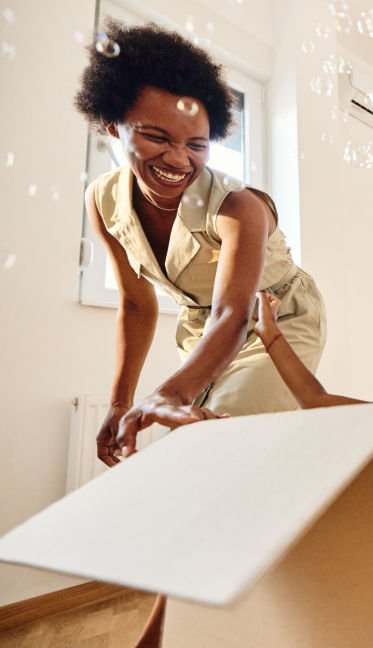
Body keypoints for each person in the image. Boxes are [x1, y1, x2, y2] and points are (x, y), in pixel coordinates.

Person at [74, 21, 326, 465]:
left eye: (196, 144)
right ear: (114, 125)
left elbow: (234, 313)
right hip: (201, 329)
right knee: (202, 447)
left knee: (219, 447)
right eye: (156, 136)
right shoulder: (103, 200)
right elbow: (136, 305)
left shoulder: (238, 208)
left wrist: (170, 391)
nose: (178, 159)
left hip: (276, 318)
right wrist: (119, 401)